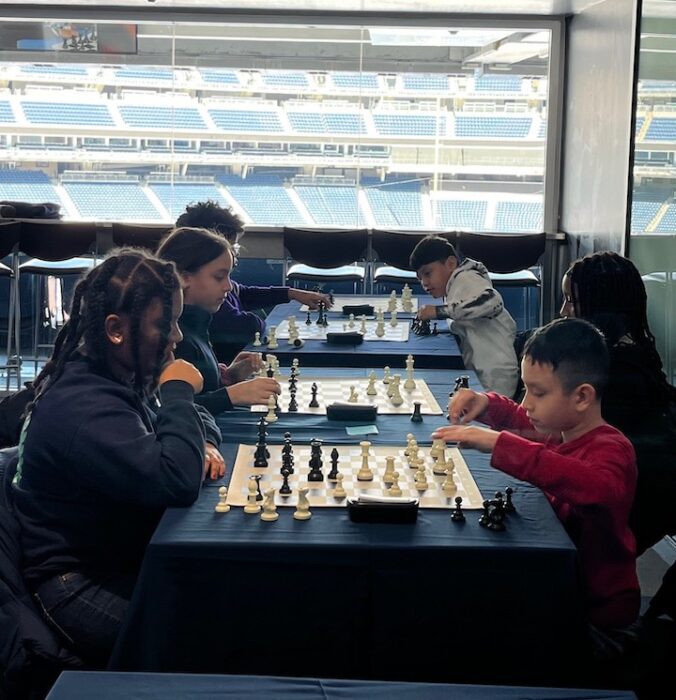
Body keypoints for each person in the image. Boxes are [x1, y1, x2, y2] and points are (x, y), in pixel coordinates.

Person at [11, 248, 224, 667]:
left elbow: (196, 427)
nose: (177, 337)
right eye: (166, 323)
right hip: (76, 587)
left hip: (120, 561)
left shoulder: (119, 378)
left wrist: (196, 438)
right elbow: (176, 481)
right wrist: (178, 393)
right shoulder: (85, 406)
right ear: (115, 329)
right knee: (211, 641)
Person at [433, 318, 640, 641]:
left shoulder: (613, 450)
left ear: (582, 397)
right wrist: (487, 402)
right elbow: (523, 420)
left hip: (597, 618)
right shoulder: (562, 429)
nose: (526, 402)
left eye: (538, 392)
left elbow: (592, 486)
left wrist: (498, 443)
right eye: (526, 389)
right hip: (558, 589)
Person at [561, 251, 676, 622]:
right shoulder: (632, 355)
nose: (563, 312)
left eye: (572, 302)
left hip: (637, 502)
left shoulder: (616, 376)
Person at [176, 200, 332, 363]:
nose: (235, 255)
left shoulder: (207, 284)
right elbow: (247, 326)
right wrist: (259, 319)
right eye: (232, 247)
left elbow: (241, 293)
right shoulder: (203, 302)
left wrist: (291, 293)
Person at [157, 226, 281, 415]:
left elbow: (199, 387)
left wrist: (228, 376)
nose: (229, 286)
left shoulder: (199, 321)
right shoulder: (172, 338)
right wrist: (230, 396)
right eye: (219, 277)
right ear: (183, 277)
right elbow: (169, 410)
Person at [410, 235, 519, 398]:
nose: (424, 283)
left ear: (451, 263)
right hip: (484, 371)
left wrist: (439, 312)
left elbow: (493, 301)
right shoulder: (455, 284)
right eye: (420, 278)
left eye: (428, 273)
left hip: (495, 375)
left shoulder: (466, 278)